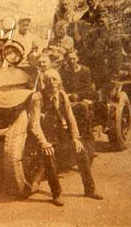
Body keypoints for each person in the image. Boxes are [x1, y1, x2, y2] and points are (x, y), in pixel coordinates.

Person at [29, 68, 103, 206]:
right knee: (49, 157)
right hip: (46, 137)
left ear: (59, 81)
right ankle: (56, 194)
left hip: (61, 136)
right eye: (48, 80)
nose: (52, 83)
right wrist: (44, 142)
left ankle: (90, 190)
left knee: (81, 151)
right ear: (44, 83)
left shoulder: (62, 95)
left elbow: (71, 118)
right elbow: (34, 124)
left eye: (55, 80)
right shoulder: (38, 98)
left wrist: (75, 138)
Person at [60, 51, 95, 138]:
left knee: (85, 107)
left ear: (78, 59)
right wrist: (66, 94)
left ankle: (86, 133)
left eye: (73, 58)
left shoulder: (85, 70)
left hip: (83, 96)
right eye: (69, 59)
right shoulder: (64, 71)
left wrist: (77, 95)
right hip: (68, 97)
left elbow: (88, 88)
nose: (72, 61)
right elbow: (62, 85)